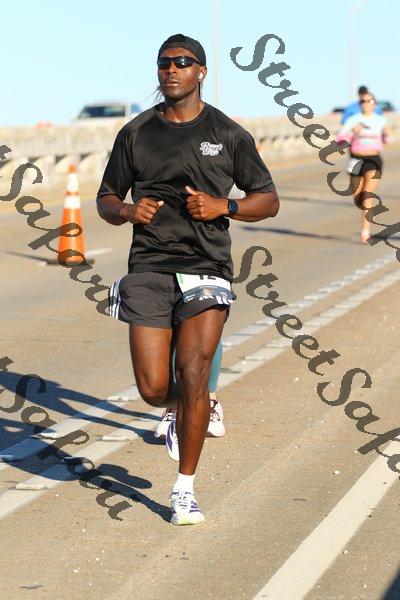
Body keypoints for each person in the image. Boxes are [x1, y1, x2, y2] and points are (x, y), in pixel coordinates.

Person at [97, 33, 279, 525]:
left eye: (182, 62)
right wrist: (128, 211)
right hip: (149, 267)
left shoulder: (228, 133)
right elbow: (106, 198)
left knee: (194, 373)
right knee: (154, 387)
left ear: (201, 71)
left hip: (207, 268)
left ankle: (184, 489)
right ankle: (187, 406)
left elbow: (268, 199)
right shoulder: (136, 132)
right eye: (164, 63)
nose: (171, 70)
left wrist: (226, 206)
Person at [337, 92, 390, 243]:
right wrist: (352, 132)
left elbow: (387, 140)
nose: (366, 103)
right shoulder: (353, 119)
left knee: (367, 195)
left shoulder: (381, 120)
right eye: (363, 101)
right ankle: (364, 208)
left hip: (373, 159)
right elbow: (339, 141)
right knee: (358, 197)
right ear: (359, 104)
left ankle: (365, 231)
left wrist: (386, 134)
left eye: (369, 101)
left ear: (375, 103)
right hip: (355, 159)